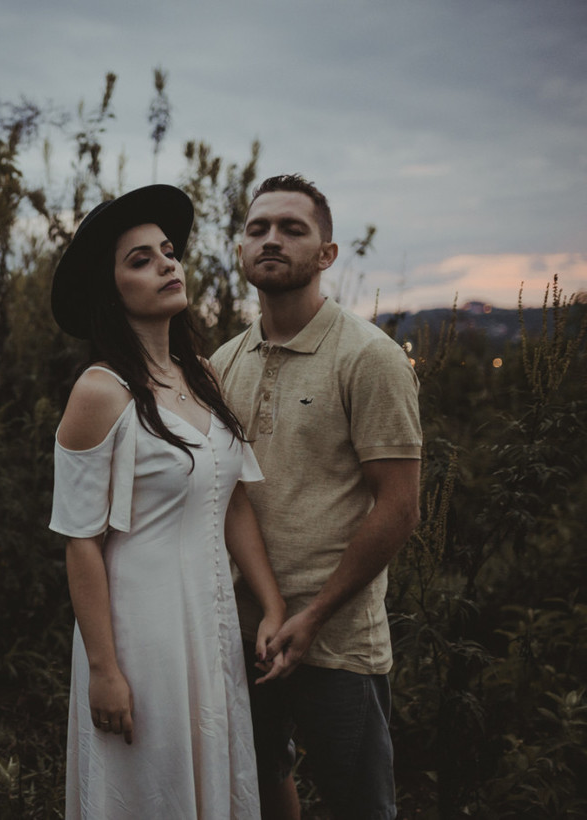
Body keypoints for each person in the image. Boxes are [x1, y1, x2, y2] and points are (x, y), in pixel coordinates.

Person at [49, 184, 287, 818]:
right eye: (140, 259)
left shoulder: (202, 375)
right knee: (150, 787)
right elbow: (80, 541)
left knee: (211, 773)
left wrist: (269, 603)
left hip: (209, 623)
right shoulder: (99, 392)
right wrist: (104, 668)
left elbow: (232, 500)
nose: (167, 265)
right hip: (139, 632)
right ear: (112, 290)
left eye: (170, 251)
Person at [210, 174, 422, 820]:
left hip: (337, 641)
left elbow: (399, 508)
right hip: (245, 634)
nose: (271, 239)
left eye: (292, 229)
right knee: (263, 787)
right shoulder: (221, 365)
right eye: (258, 228)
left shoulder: (368, 357)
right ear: (241, 249)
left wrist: (314, 615)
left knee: (361, 806)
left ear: (326, 255)